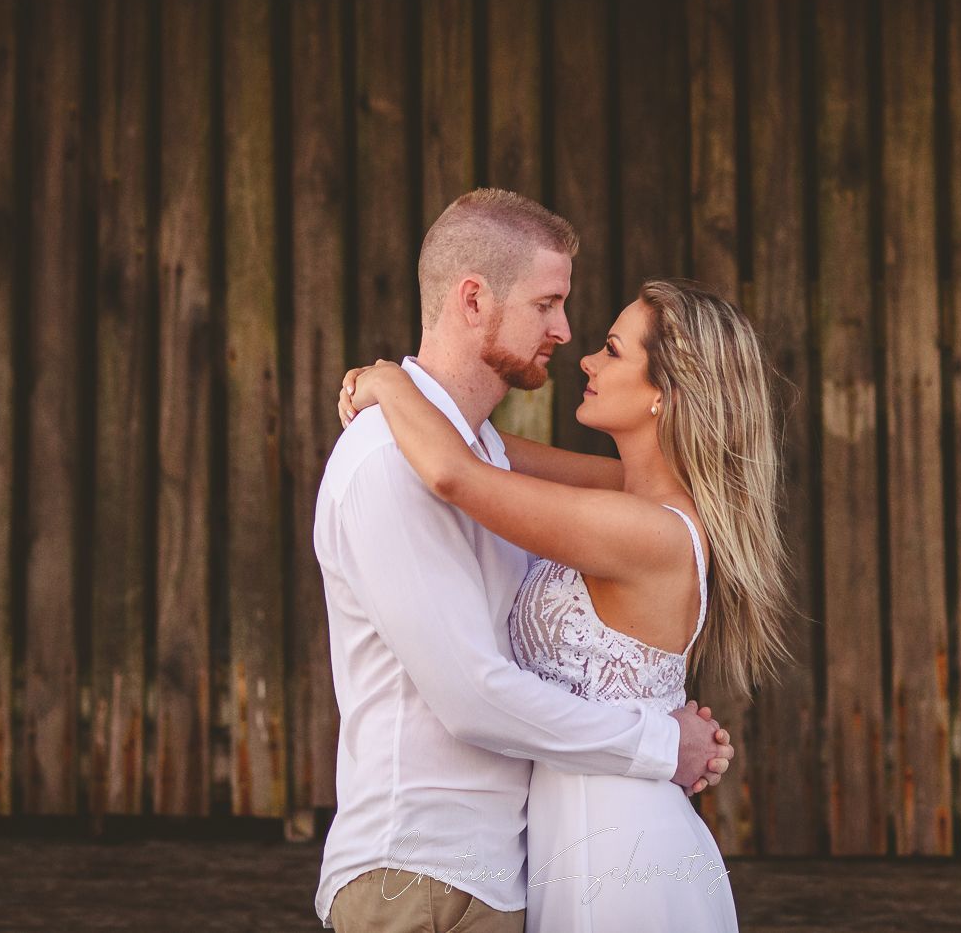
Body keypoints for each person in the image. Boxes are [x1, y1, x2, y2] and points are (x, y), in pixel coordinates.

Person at [313, 189, 741, 933]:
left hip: (570, 860)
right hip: (426, 875)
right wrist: (660, 737)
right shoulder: (399, 458)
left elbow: (462, 472)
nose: (568, 335)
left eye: (608, 346)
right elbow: (474, 694)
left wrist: (385, 380)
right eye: (549, 304)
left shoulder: (629, 516)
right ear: (473, 299)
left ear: (665, 397)